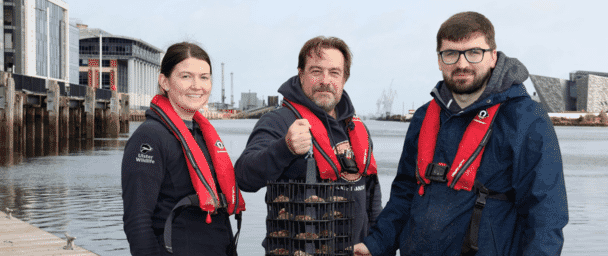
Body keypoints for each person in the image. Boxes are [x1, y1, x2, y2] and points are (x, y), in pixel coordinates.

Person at [354, 11, 568, 256]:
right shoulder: (424, 117)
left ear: (493, 58)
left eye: (474, 52)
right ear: (439, 60)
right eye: (451, 53)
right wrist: (375, 245)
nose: (462, 64)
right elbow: (404, 194)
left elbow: (546, 215)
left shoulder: (527, 119)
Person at [235, 36, 382, 250]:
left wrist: (377, 244)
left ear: (344, 78)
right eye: (316, 71)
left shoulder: (356, 128)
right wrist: (284, 148)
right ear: (301, 74)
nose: (325, 80)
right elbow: (244, 177)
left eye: (334, 72)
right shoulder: (279, 121)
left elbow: (371, 197)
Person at [121, 42, 245, 256]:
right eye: (186, 76)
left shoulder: (202, 135)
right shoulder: (149, 137)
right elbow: (137, 222)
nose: (197, 86)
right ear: (165, 82)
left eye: (204, 77)